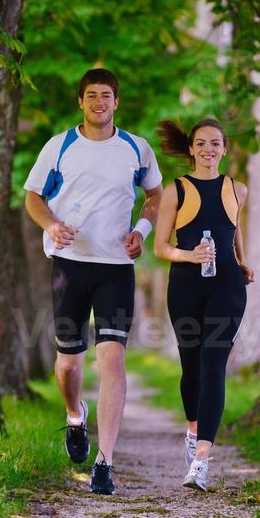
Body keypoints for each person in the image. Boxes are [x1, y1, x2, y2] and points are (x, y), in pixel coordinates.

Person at [24, 68, 163, 495]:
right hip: (69, 264)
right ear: (81, 102)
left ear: (116, 102)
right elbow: (33, 196)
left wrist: (142, 229)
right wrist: (50, 225)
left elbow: (155, 195)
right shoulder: (60, 146)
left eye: (106, 95)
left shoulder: (136, 149)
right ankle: (74, 416)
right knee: (69, 363)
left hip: (116, 267)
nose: (99, 102)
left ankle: (104, 463)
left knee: (112, 359)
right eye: (91, 96)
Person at [154, 117, 254, 491]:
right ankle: (193, 431)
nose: (208, 150)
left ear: (224, 149)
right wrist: (189, 255)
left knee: (214, 366)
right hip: (185, 286)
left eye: (215, 143)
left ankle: (201, 461)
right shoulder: (175, 190)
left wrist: (242, 261)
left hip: (227, 286)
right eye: (201, 144)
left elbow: (234, 227)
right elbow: (161, 248)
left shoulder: (237, 188)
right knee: (191, 369)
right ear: (191, 150)